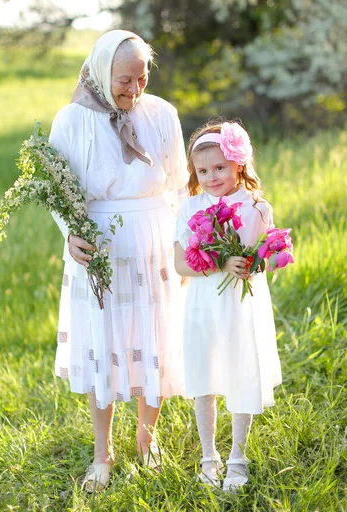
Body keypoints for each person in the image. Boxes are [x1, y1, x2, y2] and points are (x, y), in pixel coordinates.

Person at [49, 30, 188, 491]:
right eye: (124, 80)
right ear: (101, 71)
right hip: (101, 248)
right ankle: (102, 454)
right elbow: (59, 193)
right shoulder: (70, 121)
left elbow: (181, 188)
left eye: (142, 78)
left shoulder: (163, 114)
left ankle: (146, 442)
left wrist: (183, 244)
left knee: (156, 339)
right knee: (102, 345)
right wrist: (70, 234)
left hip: (154, 240)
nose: (134, 89)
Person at [174, 120, 282, 492]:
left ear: (238, 163)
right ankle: (209, 455)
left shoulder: (255, 206)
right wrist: (220, 262)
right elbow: (179, 263)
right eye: (202, 170)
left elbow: (266, 253)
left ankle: (237, 456)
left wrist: (261, 259)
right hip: (204, 305)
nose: (211, 176)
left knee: (241, 371)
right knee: (204, 374)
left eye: (219, 167)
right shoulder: (190, 207)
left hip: (240, 306)